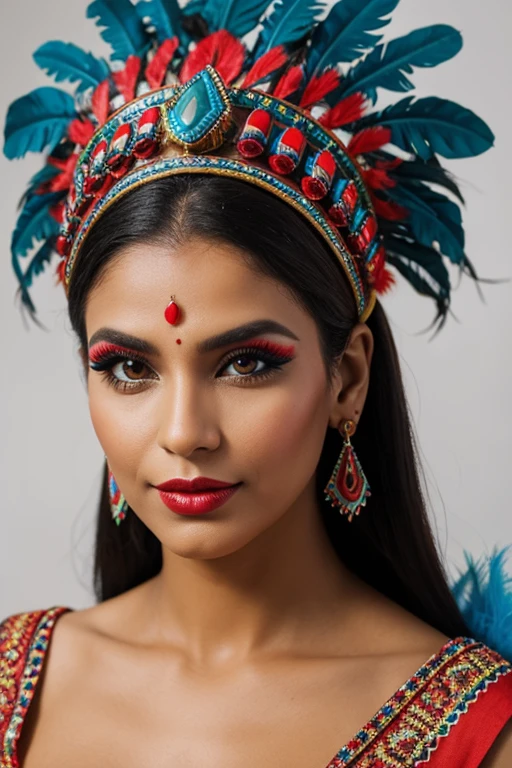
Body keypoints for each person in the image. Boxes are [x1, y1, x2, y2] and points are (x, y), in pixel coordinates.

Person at [1, 0, 511, 765]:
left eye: (246, 364)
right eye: (129, 369)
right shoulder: (13, 687)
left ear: (348, 378)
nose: (183, 432)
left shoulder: (482, 730)